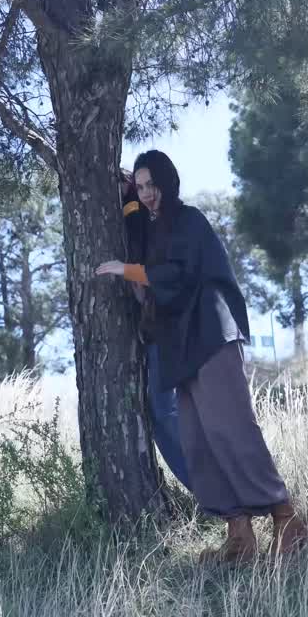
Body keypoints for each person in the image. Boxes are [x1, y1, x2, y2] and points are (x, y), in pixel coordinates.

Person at [97, 150, 308, 562]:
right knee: (198, 440)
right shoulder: (153, 229)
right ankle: (239, 535)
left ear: (168, 182)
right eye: (140, 188)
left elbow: (176, 274)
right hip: (179, 345)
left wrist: (128, 271)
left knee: (231, 428)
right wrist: (126, 202)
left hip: (211, 334)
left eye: (152, 184)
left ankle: (287, 519)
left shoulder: (189, 220)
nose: (148, 194)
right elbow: (145, 246)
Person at [119, 168, 192, 491]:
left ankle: (213, 491)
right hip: (158, 328)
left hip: (168, 325)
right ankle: (211, 491)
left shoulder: (145, 215)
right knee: (165, 414)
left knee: (165, 413)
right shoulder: (137, 216)